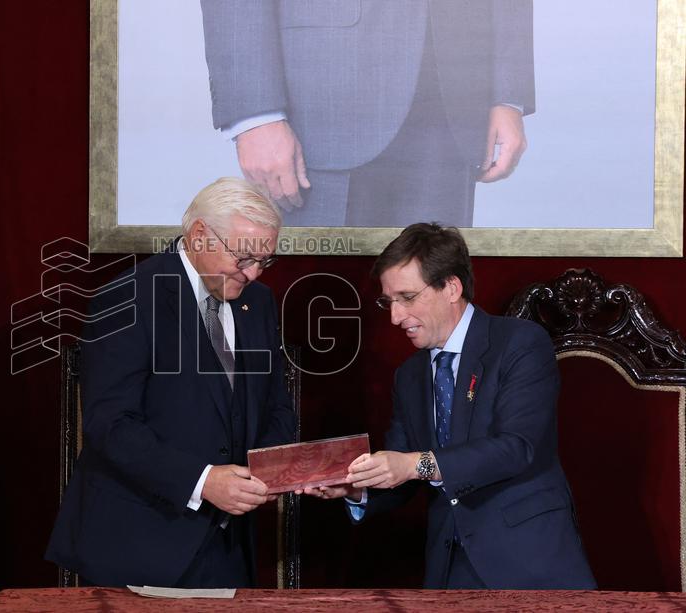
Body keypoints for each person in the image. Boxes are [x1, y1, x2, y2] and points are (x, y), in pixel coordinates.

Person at [304, 223, 595, 589]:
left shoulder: (519, 343)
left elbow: (517, 447)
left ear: (451, 287)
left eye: (407, 297)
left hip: (529, 563)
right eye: (388, 302)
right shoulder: (409, 375)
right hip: (449, 572)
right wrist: (358, 489)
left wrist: (414, 464)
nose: (394, 317)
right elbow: (403, 472)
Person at [46, 177, 297, 587]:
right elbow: (110, 424)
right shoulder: (127, 298)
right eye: (244, 257)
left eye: (264, 261)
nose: (253, 273)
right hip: (138, 545)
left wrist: (266, 472)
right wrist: (204, 481)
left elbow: (274, 406)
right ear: (199, 236)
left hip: (229, 550)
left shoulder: (260, 303)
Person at [199, 1, 534, 227]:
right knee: (321, 305)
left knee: (436, 309)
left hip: (452, 92)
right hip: (319, 99)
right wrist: (255, 113)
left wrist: (507, 93)